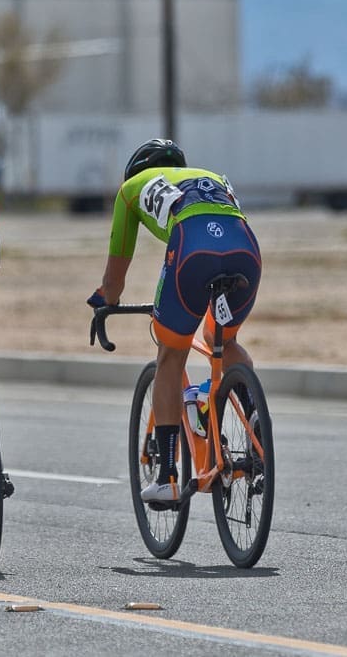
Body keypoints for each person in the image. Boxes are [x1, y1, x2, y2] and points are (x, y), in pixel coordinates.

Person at [88, 138, 261, 504]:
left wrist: (107, 300)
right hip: (245, 249)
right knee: (222, 340)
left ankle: (166, 474)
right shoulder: (212, 176)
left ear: (136, 170)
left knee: (171, 354)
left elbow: (116, 270)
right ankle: (255, 423)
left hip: (191, 251)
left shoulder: (131, 189)